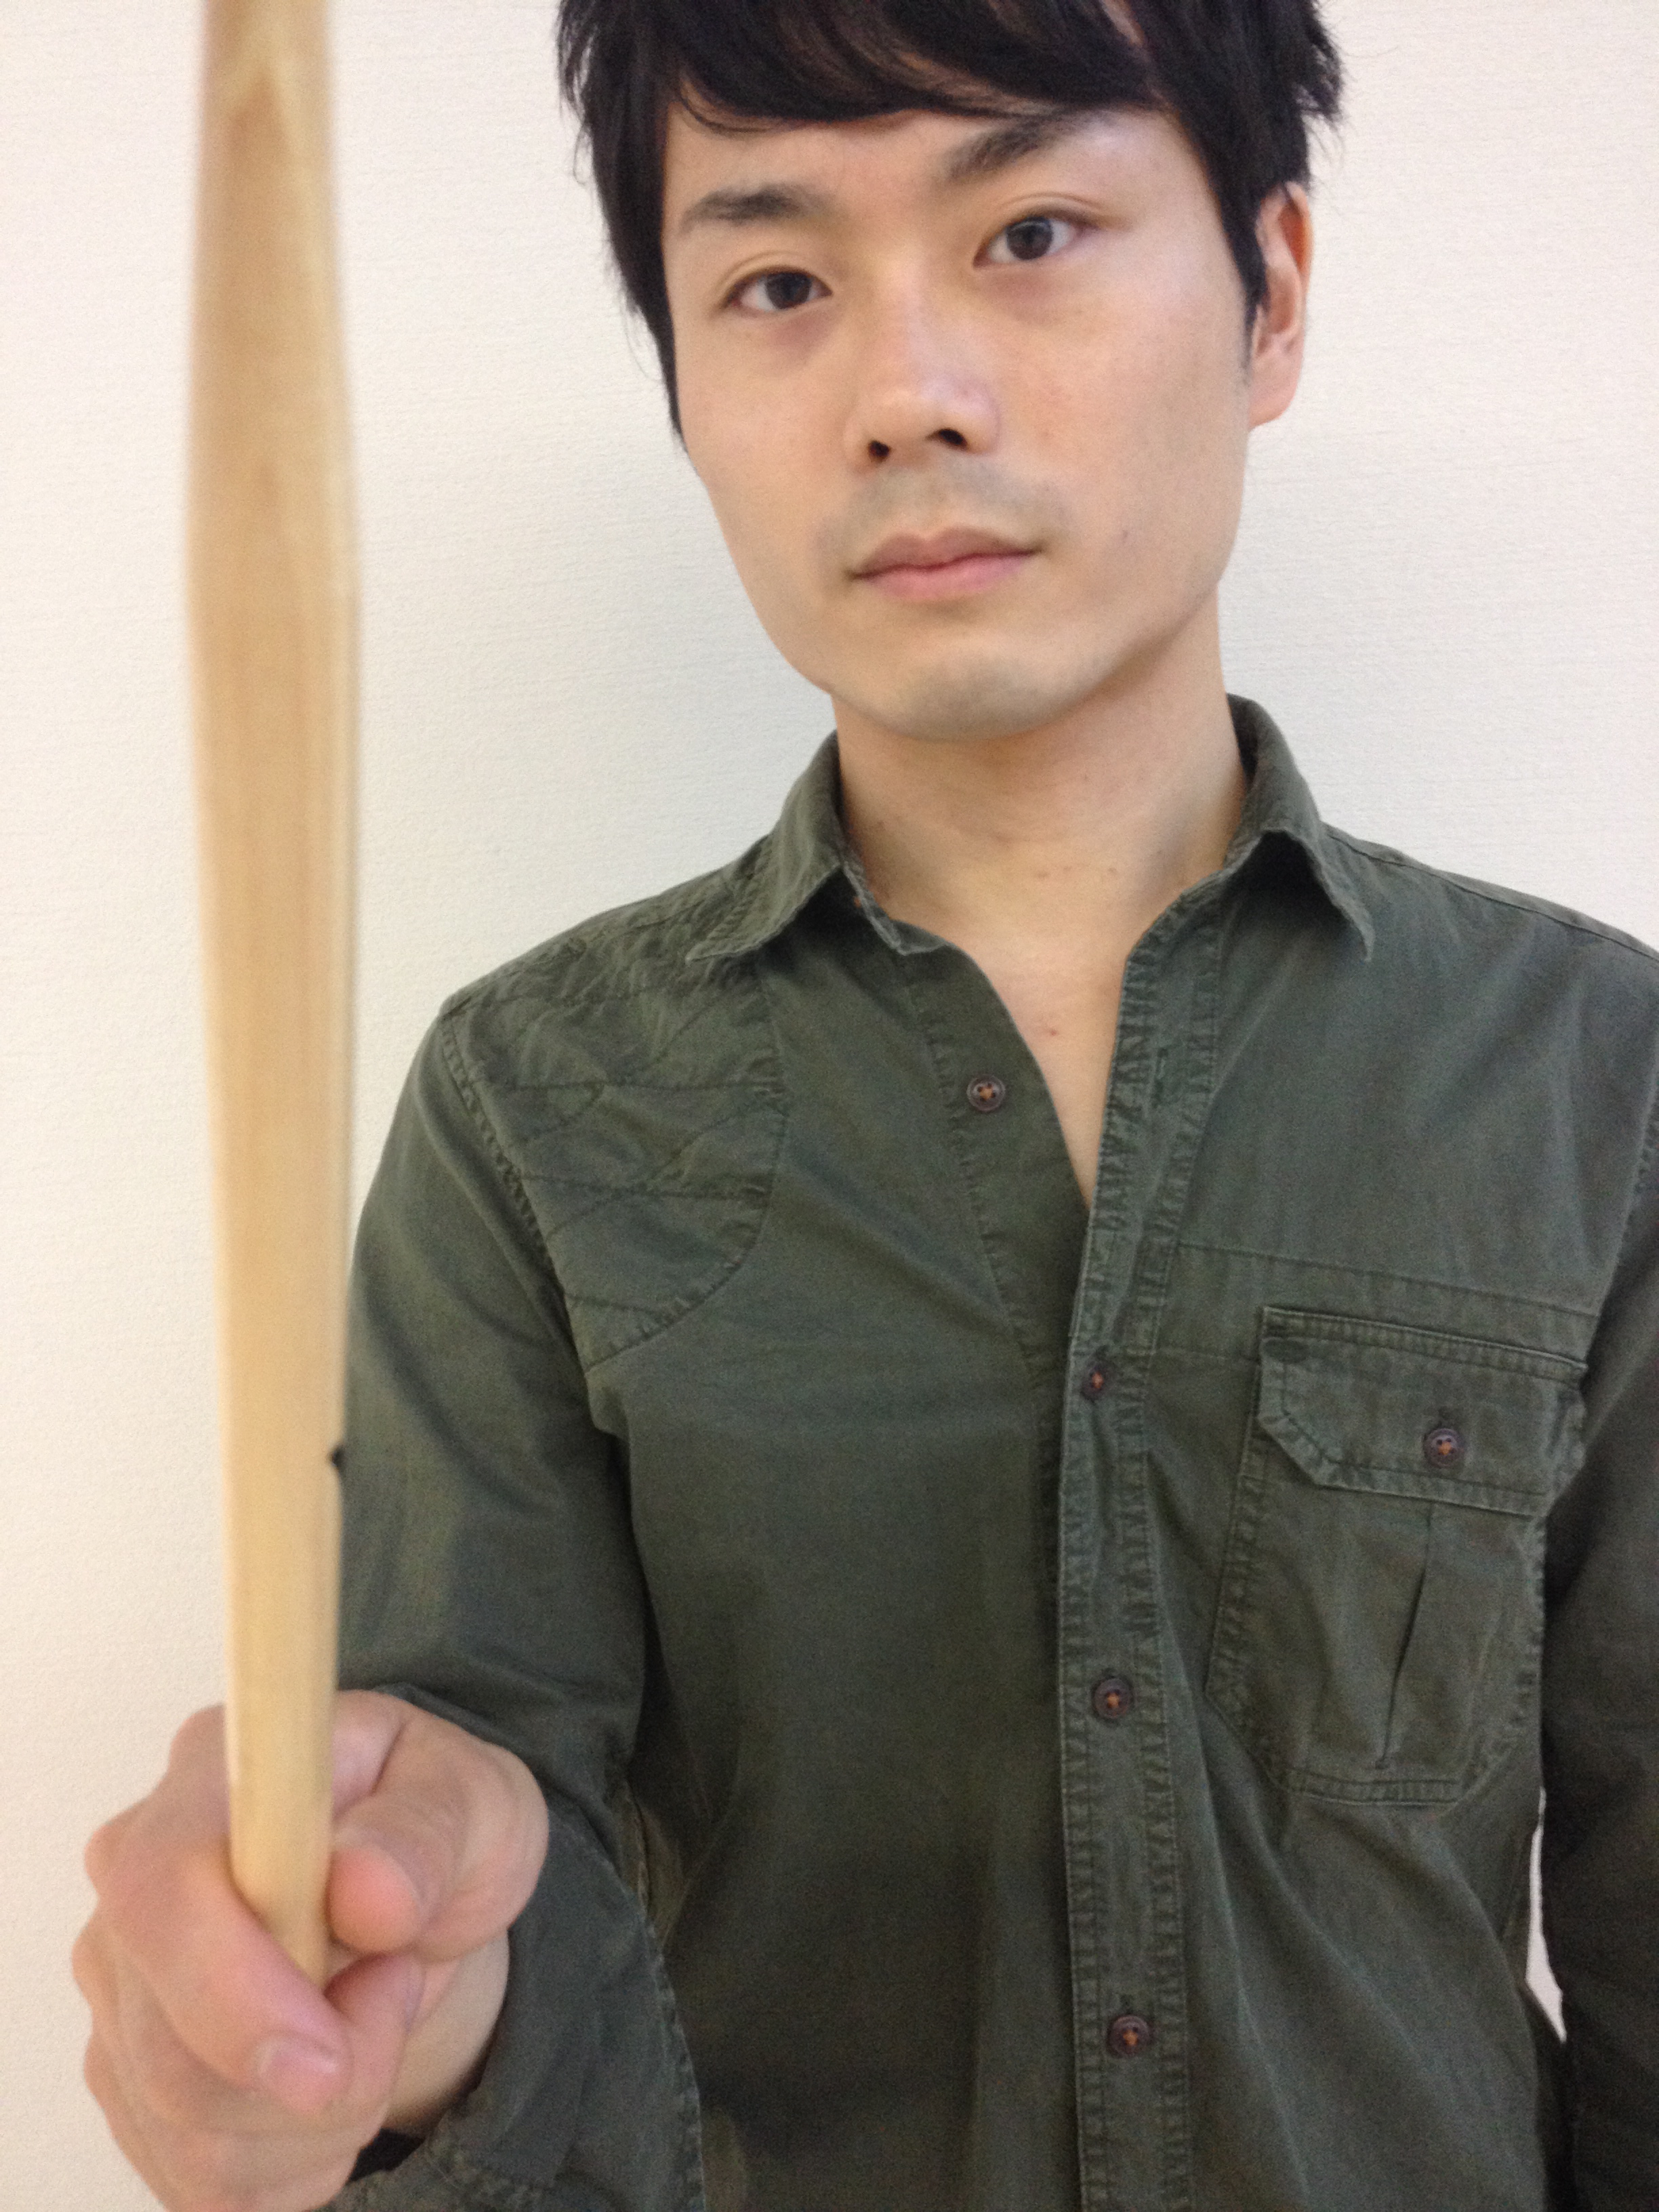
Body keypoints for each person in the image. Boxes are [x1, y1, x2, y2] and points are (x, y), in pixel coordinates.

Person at [75, 1, 1659, 2207]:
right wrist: (403, 1999)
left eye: (1032, 231)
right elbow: (459, 1855)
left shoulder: (1594, 1076)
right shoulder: (533, 1112)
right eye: (779, 280)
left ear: (1272, 291)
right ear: (686, 390)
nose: (909, 392)